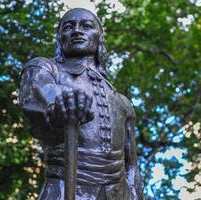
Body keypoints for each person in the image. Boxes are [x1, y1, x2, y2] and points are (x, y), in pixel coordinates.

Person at [19, 8, 144, 200]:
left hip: (118, 194)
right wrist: (60, 106)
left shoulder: (122, 102)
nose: (77, 30)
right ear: (60, 38)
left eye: (86, 26)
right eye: (68, 27)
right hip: (63, 189)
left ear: (99, 38)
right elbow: (39, 96)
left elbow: (132, 165)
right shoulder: (45, 69)